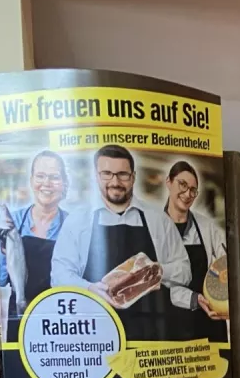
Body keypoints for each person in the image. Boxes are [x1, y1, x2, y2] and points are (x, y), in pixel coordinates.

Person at [51, 144, 194, 341]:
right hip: (95, 336)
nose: (115, 181)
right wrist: (89, 288)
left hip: (151, 337)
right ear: (96, 176)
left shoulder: (157, 220)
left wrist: (155, 273)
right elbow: (58, 275)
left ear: (133, 177)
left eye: (122, 174)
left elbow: (185, 271)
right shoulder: (77, 221)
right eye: (107, 174)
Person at [0, 149, 69, 313]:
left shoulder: (73, 226)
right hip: (20, 313)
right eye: (40, 176)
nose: (47, 183)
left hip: (62, 318)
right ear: (31, 181)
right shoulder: (12, 221)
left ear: (64, 183)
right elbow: (0, 281)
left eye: (54, 177)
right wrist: (3, 252)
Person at [163, 160, 228, 336]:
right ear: (168, 182)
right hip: (169, 323)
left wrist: (225, 301)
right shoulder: (155, 227)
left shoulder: (206, 226)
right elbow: (159, 281)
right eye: (182, 185)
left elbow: (228, 263)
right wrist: (192, 298)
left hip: (207, 319)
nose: (187, 193)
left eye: (193, 190)